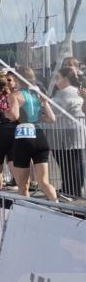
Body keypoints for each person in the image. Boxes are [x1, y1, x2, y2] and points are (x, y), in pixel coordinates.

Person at [6, 66, 58, 201]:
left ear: (17, 78)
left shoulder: (15, 95)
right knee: (44, 182)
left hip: (23, 138)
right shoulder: (38, 95)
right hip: (39, 136)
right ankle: (57, 206)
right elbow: (52, 119)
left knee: (23, 185)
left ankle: (27, 212)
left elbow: (14, 115)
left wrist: (6, 112)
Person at [52, 67, 85, 197]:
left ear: (65, 79)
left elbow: (56, 111)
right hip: (76, 131)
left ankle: (71, 190)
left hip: (67, 132)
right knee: (73, 162)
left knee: (68, 162)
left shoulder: (65, 93)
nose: (56, 82)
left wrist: (45, 110)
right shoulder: (77, 91)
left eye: (58, 78)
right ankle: (71, 188)